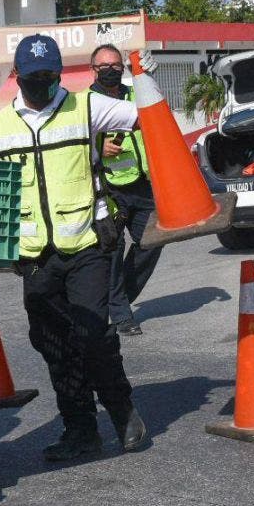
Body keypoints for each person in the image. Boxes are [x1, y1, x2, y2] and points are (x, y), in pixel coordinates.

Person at [0, 34, 157, 461]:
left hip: (86, 243)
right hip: (35, 257)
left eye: (50, 76)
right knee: (54, 344)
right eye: (34, 78)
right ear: (16, 77)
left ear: (61, 74)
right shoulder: (0, 123)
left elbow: (151, 119)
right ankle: (80, 430)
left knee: (93, 335)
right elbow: (1, 193)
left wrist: (144, 79)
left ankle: (122, 412)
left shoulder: (86, 106)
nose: (43, 84)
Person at [89, 44, 163, 337]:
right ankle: (121, 315)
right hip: (108, 186)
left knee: (153, 241)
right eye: (103, 66)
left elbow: (157, 115)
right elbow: (77, 140)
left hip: (142, 184)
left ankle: (116, 300)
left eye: (115, 65)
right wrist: (97, 146)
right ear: (93, 70)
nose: (110, 70)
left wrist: (146, 77)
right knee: (113, 250)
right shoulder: (86, 103)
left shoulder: (135, 95)